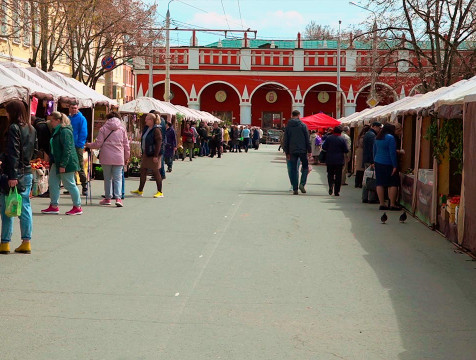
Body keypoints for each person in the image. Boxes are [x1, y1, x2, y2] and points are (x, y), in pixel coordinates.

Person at [0, 101, 37, 255]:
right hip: (27, 171)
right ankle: (26, 241)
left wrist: (12, 174)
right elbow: (34, 151)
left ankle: (5, 242)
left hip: (14, 172)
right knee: (25, 207)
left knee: (8, 206)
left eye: (7, 112)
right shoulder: (31, 128)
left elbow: (13, 152)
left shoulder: (14, 128)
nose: (6, 114)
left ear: (12, 112)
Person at [41, 111, 83, 216]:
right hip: (57, 161)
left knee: (70, 184)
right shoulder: (58, 130)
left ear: (58, 121)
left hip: (66, 163)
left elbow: (67, 149)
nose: (51, 122)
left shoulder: (65, 131)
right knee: (53, 183)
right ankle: (54, 206)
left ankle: (77, 206)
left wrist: (63, 165)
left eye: (52, 120)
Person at [85, 111, 130, 207]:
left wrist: (89, 145)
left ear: (107, 118)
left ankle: (108, 198)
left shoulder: (103, 129)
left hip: (106, 156)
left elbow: (98, 144)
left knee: (107, 178)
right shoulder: (122, 129)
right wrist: (126, 157)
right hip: (119, 157)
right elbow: (126, 145)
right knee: (118, 178)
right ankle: (118, 198)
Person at [131, 113, 163, 198]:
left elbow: (159, 143)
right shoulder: (147, 128)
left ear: (152, 120)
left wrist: (156, 155)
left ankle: (160, 192)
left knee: (155, 171)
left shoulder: (156, 130)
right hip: (146, 153)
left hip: (154, 153)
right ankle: (140, 190)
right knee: (143, 170)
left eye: (147, 119)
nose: (145, 120)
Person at [283, 110, 311, 195]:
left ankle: (295, 188)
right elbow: (307, 138)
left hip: (292, 150)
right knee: (305, 167)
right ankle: (302, 183)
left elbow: (286, 140)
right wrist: (309, 150)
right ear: (299, 116)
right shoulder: (303, 125)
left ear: (292, 115)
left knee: (294, 169)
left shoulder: (288, 126)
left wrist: (287, 152)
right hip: (302, 150)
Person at [373, 123, 400, 210]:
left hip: (378, 161)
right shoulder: (390, 138)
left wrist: (374, 160)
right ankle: (392, 204)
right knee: (393, 183)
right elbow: (392, 153)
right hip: (388, 162)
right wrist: (395, 165)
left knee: (379, 183)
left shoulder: (377, 137)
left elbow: (374, 150)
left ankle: (381, 203)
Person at [322, 126, 349, 197]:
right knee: (338, 175)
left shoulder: (329, 138)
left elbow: (324, 147)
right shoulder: (342, 139)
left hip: (330, 159)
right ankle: (337, 191)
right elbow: (346, 150)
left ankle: (330, 185)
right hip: (339, 160)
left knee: (330, 173)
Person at [68, 103, 88, 196]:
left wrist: (80, 144)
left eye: (75, 108)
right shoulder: (68, 118)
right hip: (69, 145)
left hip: (77, 145)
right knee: (71, 166)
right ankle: (72, 186)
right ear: (69, 108)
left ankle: (84, 186)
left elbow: (83, 132)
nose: (74, 110)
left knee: (79, 166)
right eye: (72, 108)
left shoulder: (81, 118)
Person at [361, 121, 381, 203]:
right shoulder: (372, 135)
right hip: (370, 160)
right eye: (379, 128)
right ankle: (371, 198)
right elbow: (372, 149)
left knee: (367, 178)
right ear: (374, 127)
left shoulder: (367, 134)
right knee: (372, 178)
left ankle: (365, 197)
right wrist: (373, 161)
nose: (379, 129)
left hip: (366, 159)